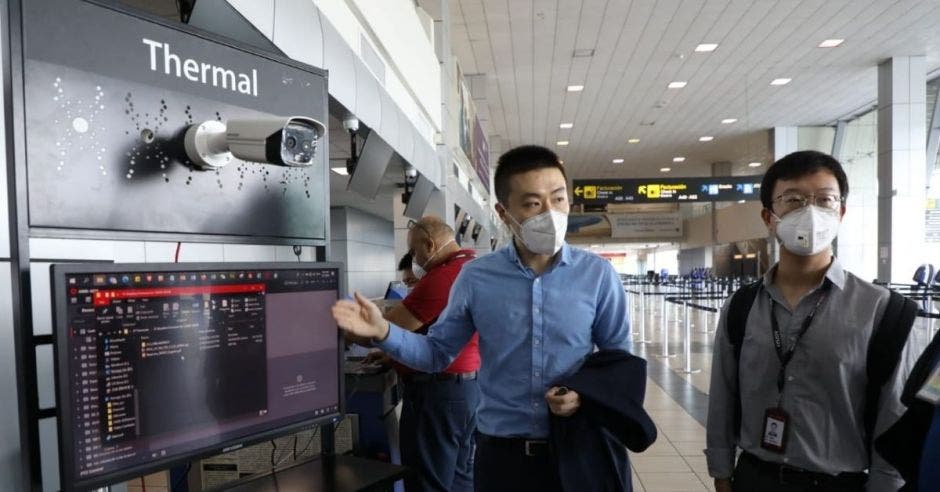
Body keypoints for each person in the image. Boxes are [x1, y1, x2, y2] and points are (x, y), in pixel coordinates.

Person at [332, 145, 632, 491]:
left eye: (559, 199)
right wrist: (385, 331)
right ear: (504, 213)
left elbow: (619, 362)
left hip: (580, 447)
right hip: (502, 456)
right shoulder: (476, 279)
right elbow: (436, 354)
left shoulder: (597, 275)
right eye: (533, 204)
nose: (551, 213)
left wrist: (583, 394)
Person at [705, 150, 921, 491]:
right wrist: (721, 472)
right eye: (793, 199)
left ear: (842, 211)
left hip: (839, 483)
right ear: (769, 216)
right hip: (755, 478)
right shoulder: (742, 307)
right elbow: (723, 394)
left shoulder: (882, 311)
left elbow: (893, 415)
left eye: (824, 199)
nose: (810, 212)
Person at [385, 216, 480, 492]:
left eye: (414, 251)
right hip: (467, 389)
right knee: (460, 476)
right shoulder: (468, 267)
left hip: (437, 396)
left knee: (428, 481)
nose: (414, 258)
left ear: (430, 244)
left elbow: (387, 328)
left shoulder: (443, 277)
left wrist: (351, 324)